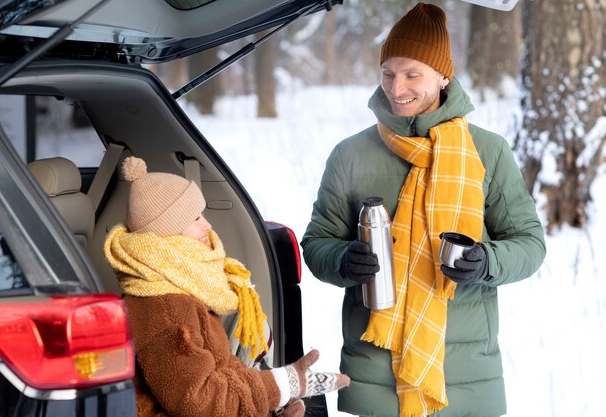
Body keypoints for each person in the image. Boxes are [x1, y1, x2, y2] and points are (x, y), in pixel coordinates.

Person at [300, 3, 546, 417]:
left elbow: (530, 244)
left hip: (464, 381)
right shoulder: (351, 154)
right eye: (388, 73)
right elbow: (317, 244)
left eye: (412, 74)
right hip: (376, 379)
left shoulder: (486, 151)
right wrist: (344, 260)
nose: (396, 89)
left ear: (443, 75)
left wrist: (485, 261)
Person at [104, 156, 350, 417]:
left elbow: (219, 366)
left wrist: (271, 395)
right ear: (168, 233)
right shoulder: (164, 306)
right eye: (195, 218)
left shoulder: (176, 284)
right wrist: (278, 387)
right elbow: (197, 401)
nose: (207, 225)